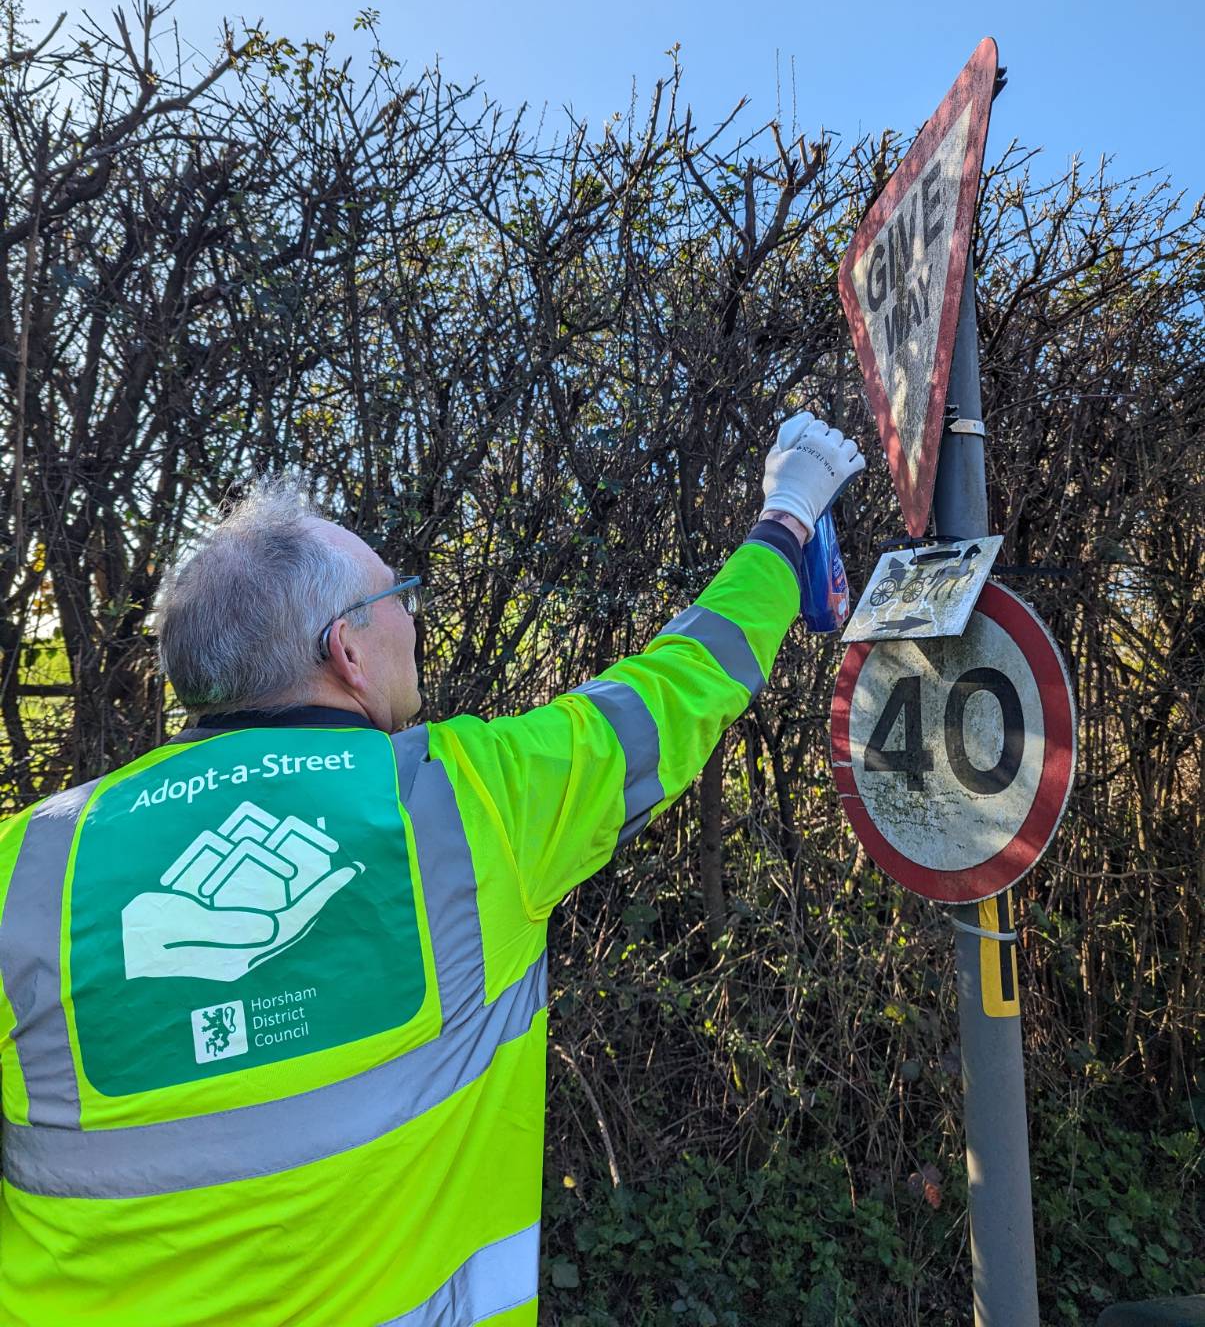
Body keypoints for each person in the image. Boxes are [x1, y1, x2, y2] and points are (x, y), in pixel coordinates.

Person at [0, 412, 864, 1326]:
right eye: (397, 595)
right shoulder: (468, 802)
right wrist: (786, 517)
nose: (412, 618)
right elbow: (684, 681)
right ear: (345, 651)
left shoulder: (26, 861)